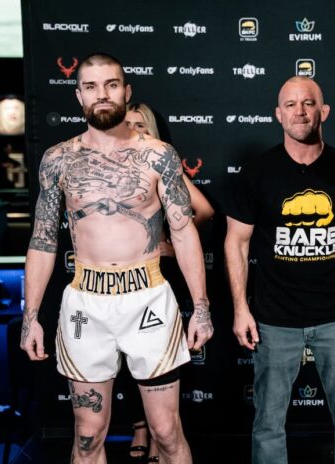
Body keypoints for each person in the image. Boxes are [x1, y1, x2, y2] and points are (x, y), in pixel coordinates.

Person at [20, 53, 214, 464]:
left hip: (148, 297)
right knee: (89, 434)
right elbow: (41, 241)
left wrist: (200, 308)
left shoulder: (157, 154)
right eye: (90, 86)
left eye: (111, 85)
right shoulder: (58, 159)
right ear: (79, 96)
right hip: (86, 302)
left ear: (126, 92)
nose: (101, 94)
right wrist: (31, 315)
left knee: (165, 430)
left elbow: (182, 231)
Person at [225, 76, 335, 464]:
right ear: (278, 114)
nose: (300, 111)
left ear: (323, 111)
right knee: (268, 422)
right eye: (291, 104)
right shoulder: (256, 173)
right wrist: (241, 309)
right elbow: (237, 242)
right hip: (273, 319)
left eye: (309, 103)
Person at [124, 101, 215, 463]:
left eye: (141, 125)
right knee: (125, 357)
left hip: (159, 273)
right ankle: (139, 426)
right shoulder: (109, 168)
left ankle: (163, 438)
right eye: (127, 124)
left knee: (158, 360)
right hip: (117, 278)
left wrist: (173, 242)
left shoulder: (162, 165)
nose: (134, 130)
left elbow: (204, 210)